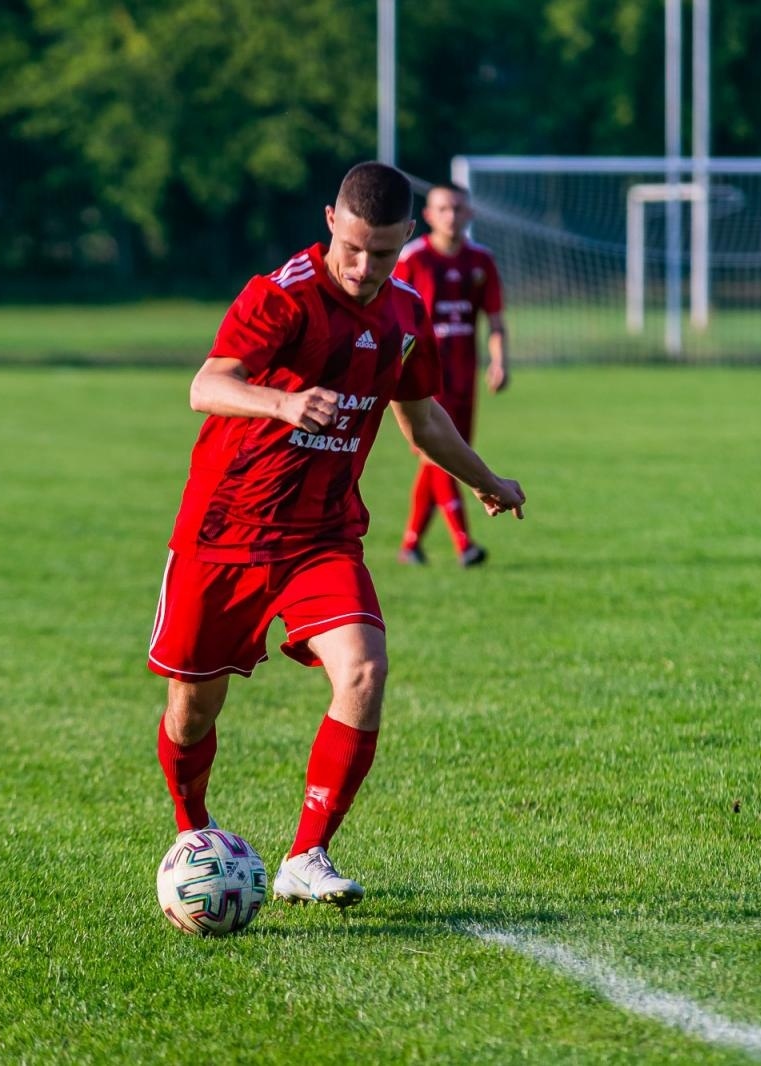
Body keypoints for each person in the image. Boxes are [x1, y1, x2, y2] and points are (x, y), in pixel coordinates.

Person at [148, 162, 526, 909]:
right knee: (192, 710)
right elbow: (206, 384)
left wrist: (484, 477)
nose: (363, 267)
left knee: (364, 671)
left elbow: (423, 420)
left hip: (321, 537)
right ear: (330, 221)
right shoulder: (280, 296)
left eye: (381, 253)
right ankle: (194, 834)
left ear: (405, 240)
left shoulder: (406, 314)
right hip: (224, 533)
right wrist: (282, 406)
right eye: (352, 247)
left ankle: (307, 854)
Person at [392, 182, 510, 567]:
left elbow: (494, 320)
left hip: (463, 376)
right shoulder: (412, 260)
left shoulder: (481, 261)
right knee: (437, 452)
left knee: (446, 456)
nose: (451, 215)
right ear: (427, 216)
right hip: (421, 376)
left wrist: (499, 361)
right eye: (443, 208)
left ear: (469, 214)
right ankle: (465, 544)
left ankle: (411, 544)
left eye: (458, 208)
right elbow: (392, 319)